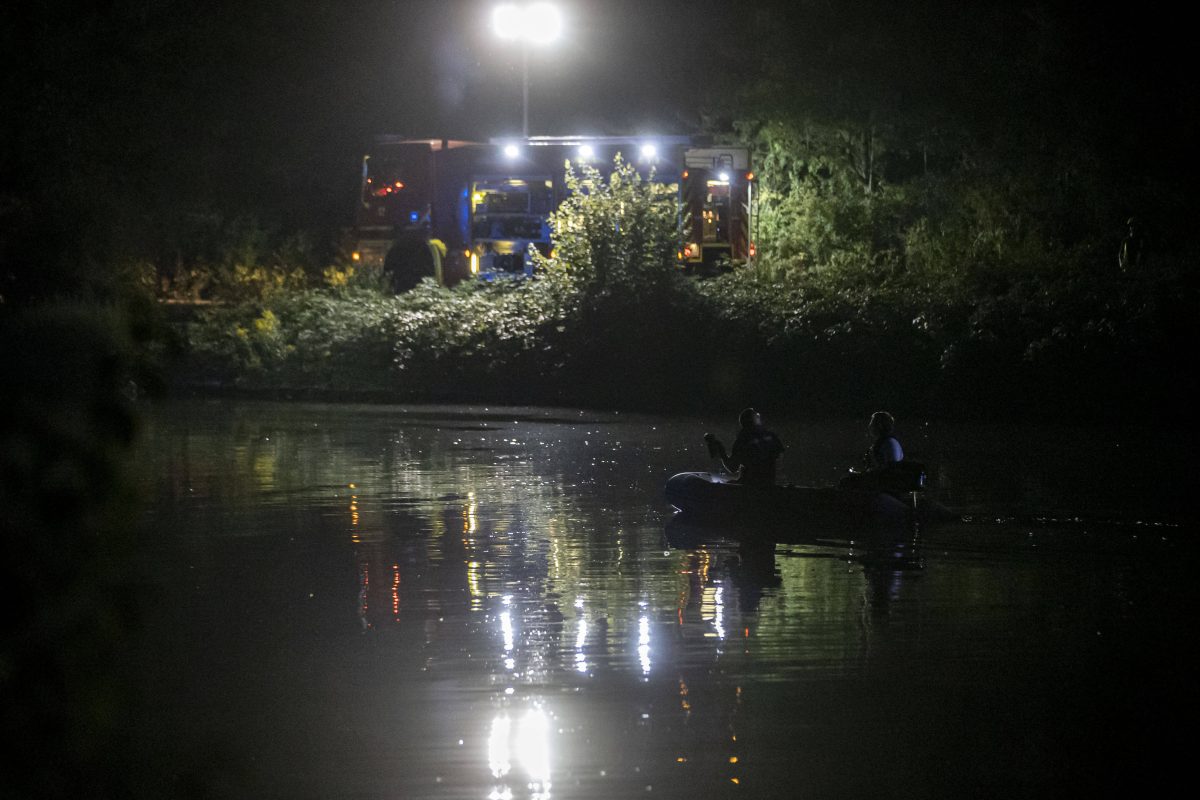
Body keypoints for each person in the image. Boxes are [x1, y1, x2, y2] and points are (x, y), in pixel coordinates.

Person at [705, 407, 785, 487]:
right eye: (757, 416)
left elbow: (732, 467)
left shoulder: (743, 440)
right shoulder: (771, 436)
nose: (759, 417)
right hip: (769, 484)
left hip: (749, 488)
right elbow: (779, 461)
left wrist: (722, 452)